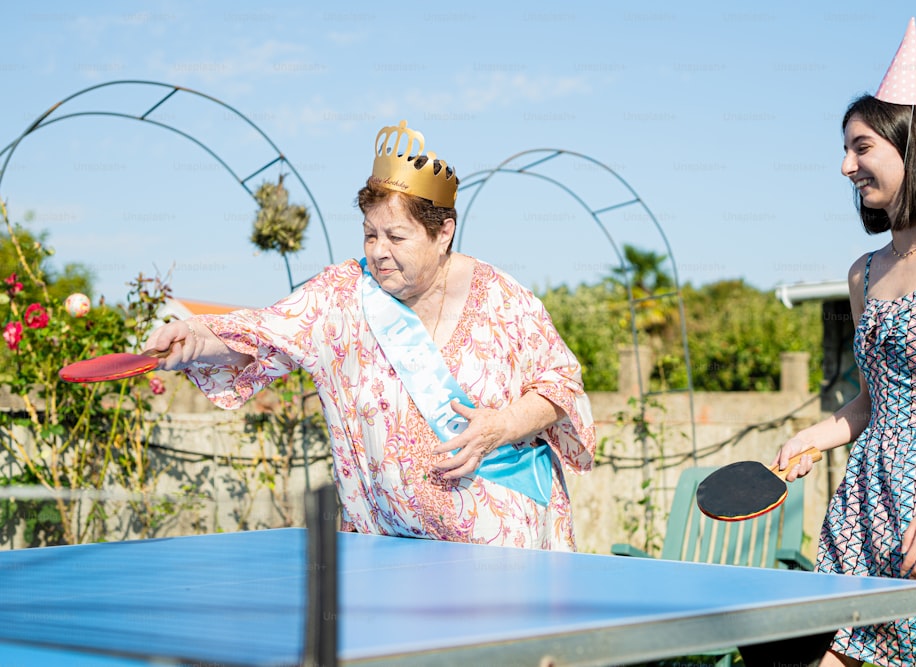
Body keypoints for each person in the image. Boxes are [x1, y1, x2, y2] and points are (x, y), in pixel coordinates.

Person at [144, 119, 596, 551]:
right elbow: (262, 333)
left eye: (396, 237)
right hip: (382, 551)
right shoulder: (340, 297)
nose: (378, 252)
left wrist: (500, 426)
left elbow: (562, 386)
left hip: (504, 546)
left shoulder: (504, 299)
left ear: (443, 232)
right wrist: (195, 339)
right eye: (369, 234)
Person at [775, 19, 916, 666]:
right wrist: (816, 436)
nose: (846, 165)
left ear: (912, 146)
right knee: (840, 651)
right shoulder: (863, 272)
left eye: (861, 146)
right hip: (869, 501)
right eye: (847, 149)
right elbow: (873, 401)